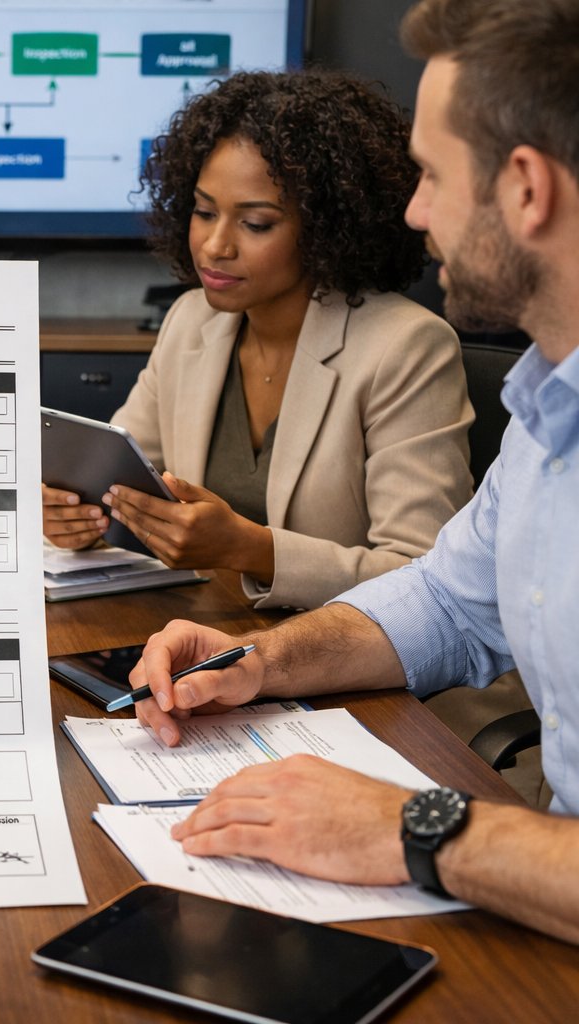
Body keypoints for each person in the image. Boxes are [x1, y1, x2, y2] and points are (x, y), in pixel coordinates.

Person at [130, 0, 579, 943]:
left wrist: (419, 827)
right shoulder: (547, 415)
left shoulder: (411, 345)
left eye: (430, 175)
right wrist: (257, 663)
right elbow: (450, 602)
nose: (413, 213)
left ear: (528, 189)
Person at [43, 70, 474, 610]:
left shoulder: (407, 346)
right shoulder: (190, 321)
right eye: (203, 212)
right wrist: (71, 515)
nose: (214, 246)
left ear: (324, 228)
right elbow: (114, 477)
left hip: (363, 671)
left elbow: (427, 579)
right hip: (217, 644)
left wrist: (252, 549)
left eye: (256, 223)